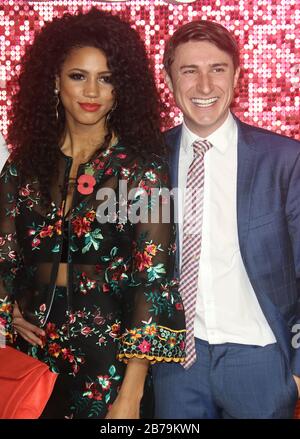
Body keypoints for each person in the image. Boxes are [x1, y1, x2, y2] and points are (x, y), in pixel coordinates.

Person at [0, 9, 186, 419]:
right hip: (31, 352)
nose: (93, 91)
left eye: (106, 78)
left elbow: (153, 280)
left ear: (122, 88)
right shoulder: (23, 165)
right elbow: (5, 256)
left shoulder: (146, 169)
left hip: (109, 358)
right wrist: (8, 306)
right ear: (54, 80)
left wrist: (131, 394)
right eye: (78, 76)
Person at [152, 19, 300, 419]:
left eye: (217, 69)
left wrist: (297, 371)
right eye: (189, 71)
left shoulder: (284, 160)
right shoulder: (147, 160)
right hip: (174, 366)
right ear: (168, 79)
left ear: (236, 76)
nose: (204, 86)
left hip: (262, 362)